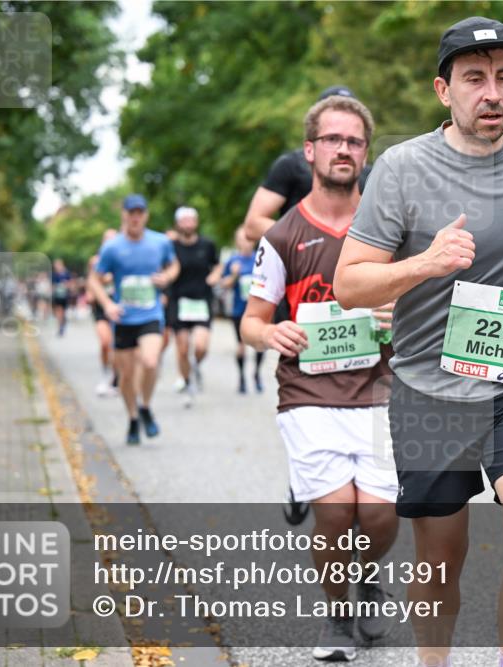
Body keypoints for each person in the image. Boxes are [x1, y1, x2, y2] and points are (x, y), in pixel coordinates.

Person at [334, 17, 503, 667]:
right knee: (440, 552)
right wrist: (424, 263)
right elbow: (349, 283)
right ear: (443, 90)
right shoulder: (400, 169)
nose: (492, 93)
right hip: (430, 389)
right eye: (475, 78)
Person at [241, 94, 399, 663]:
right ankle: (336, 617)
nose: (343, 149)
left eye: (354, 141)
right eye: (332, 139)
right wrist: (271, 334)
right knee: (336, 510)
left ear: (365, 153)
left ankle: (367, 577)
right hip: (307, 393)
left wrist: (396, 311)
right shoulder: (282, 235)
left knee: (378, 515)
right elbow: (251, 322)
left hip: (381, 392)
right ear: (310, 150)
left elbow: (424, 299)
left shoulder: (387, 230)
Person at [89, 194, 180, 445]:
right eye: (131, 212)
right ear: (124, 216)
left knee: (150, 362)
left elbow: (174, 265)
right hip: (123, 318)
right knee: (127, 376)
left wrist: (168, 277)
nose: (136, 217)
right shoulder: (112, 247)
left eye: (140, 212)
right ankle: (132, 418)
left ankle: (146, 406)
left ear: (146, 215)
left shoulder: (160, 242)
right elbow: (94, 279)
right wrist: (107, 304)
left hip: (150, 315)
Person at [242, 86, 374, 244]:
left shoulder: (371, 177)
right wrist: (310, 241)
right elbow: (252, 225)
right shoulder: (290, 165)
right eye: (332, 138)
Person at [166, 206, 222, 407]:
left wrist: (215, 275)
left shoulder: (207, 245)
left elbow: (217, 264)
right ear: (178, 224)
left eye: (191, 220)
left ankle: (196, 366)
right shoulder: (170, 246)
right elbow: (164, 267)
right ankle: (188, 383)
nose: (188, 224)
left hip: (201, 301)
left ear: (196, 223)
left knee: (200, 346)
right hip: (178, 301)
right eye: (184, 220)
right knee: (182, 349)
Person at [220, 226, 265, 394]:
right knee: (241, 345)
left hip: (260, 309)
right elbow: (223, 284)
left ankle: (257, 374)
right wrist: (233, 276)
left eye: (248, 239)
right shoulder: (232, 262)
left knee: (260, 344)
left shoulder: (261, 259)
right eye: (241, 240)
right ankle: (241, 378)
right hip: (239, 310)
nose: (245, 243)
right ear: (237, 242)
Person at [88, 228, 119, 397]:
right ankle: (105, 374)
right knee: (106, 342)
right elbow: (92, 280)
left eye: (113, 239)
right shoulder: (96, 261)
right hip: (101, 308)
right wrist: (91, 293)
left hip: (120, 307)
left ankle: (116, 379)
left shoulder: (124, 258)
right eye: (107, 239)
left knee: (118, 346)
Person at [51, 258, 72, 336]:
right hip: (57, 296)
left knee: (63, 312)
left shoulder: (66, 273)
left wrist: (66, 285)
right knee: (58, 311)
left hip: (65, 296)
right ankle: (60, 326)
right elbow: (52, 285)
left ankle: (63, 324)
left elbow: (70, 283)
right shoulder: (54, 275)